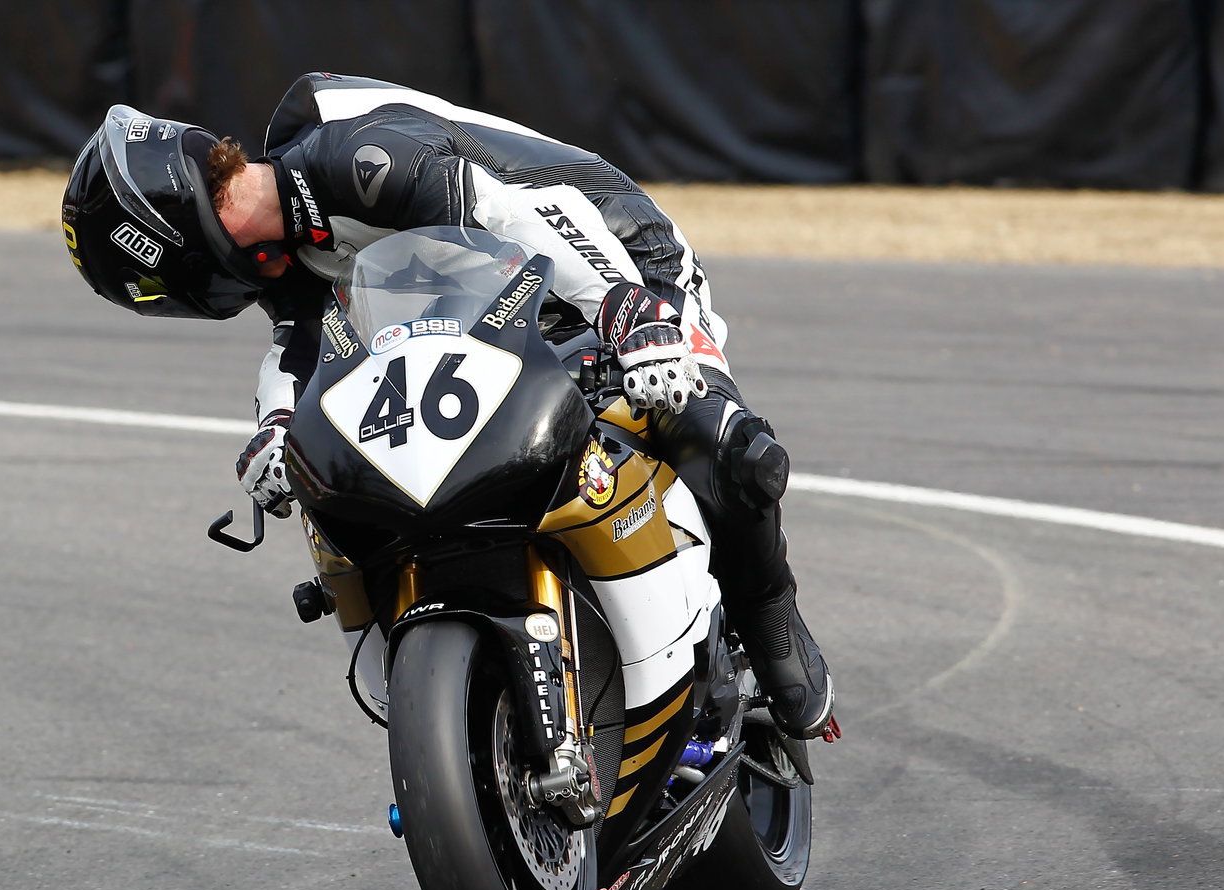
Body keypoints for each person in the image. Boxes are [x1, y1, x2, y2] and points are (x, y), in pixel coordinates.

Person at [59, 73, 837, 741]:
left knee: (717, 439)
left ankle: (772, 618)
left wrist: (627, 308)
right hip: (513, 304)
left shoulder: (348, 155)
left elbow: (516, 213)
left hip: (613, 250)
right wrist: (275, 433)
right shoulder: (289, 258)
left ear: (160, 244)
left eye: (148, 292)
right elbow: (300, 345)